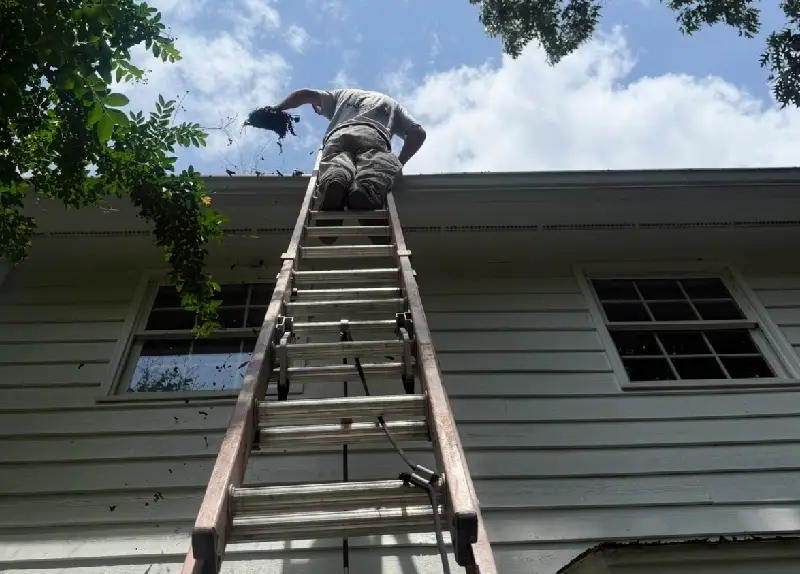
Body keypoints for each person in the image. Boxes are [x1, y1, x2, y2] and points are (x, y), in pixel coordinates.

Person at [272, 88, 427, 244]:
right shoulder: (391, 104)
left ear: (316, 107)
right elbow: (418, 133)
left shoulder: (341, 95)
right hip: (374, 134)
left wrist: (275, 109)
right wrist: (399, 163)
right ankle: (365, 191)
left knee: (337, 164)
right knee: (375, 168)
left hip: (338, 136)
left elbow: (302, 95)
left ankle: (336, 180)